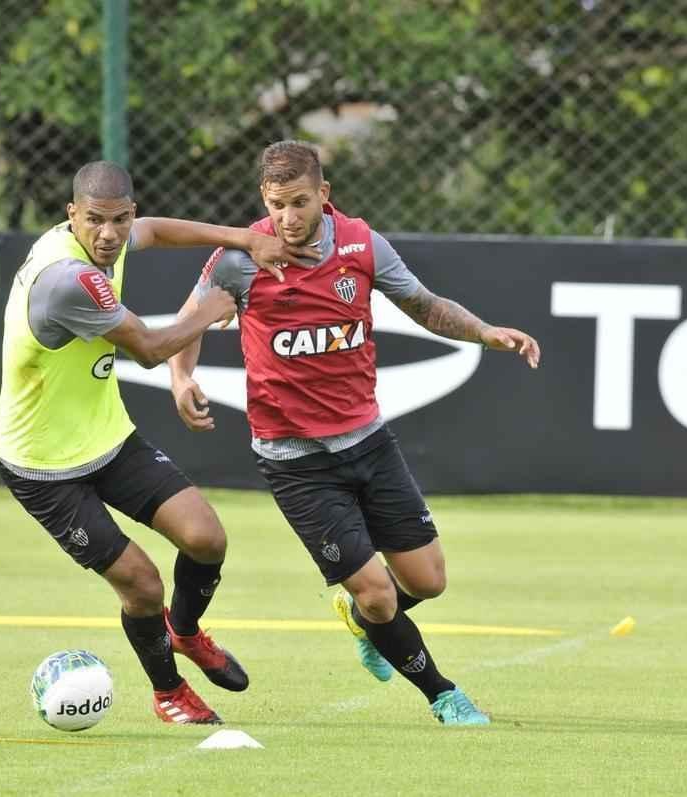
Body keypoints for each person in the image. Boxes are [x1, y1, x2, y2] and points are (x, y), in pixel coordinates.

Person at [168, 141, 541, 726]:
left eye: (298, 202)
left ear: (324, 194)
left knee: (428, 580)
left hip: (368, 441)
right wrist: (181, 374)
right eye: (275, 204)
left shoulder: (362, 244)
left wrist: (487, 332)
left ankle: (368, 623)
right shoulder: (243, 256)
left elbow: (423, 306)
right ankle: (444, 695)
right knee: (377, 591)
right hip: (295, 462)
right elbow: (191, 318)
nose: (287, 218)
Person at [0, 160, 319, 725]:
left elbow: (160, 231)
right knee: (142, 584)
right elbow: (147, 347)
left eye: (120, 220)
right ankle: (169, 693)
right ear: (72, 216)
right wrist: (217, 305)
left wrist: (244, 239)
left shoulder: (108, 243)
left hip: (107, 438)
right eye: (95, 221)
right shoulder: (68, 280)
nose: (109, 234)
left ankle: (185, 632)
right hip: (43, 465)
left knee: (206, 538)